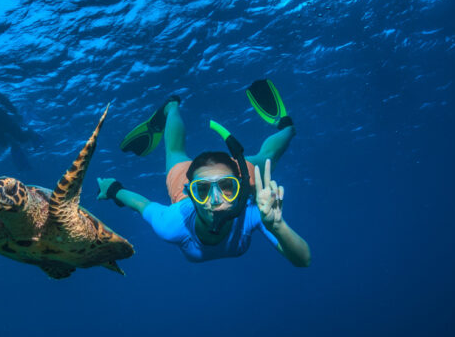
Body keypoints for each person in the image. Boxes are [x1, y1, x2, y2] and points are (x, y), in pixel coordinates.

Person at [98, 86, 310, 266]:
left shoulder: (255, 213)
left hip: (236, 172)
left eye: (227, 187)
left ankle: (287, 127)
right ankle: (171, 107)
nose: (216, 200)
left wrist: (278, 227)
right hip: (186, 178)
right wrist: (114, 189)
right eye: (203, 191)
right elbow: (141, 205)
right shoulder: (174, 222)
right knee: (175, 152)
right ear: (190, 193)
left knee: (268, 156)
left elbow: (303, 260)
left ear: (240, 188)